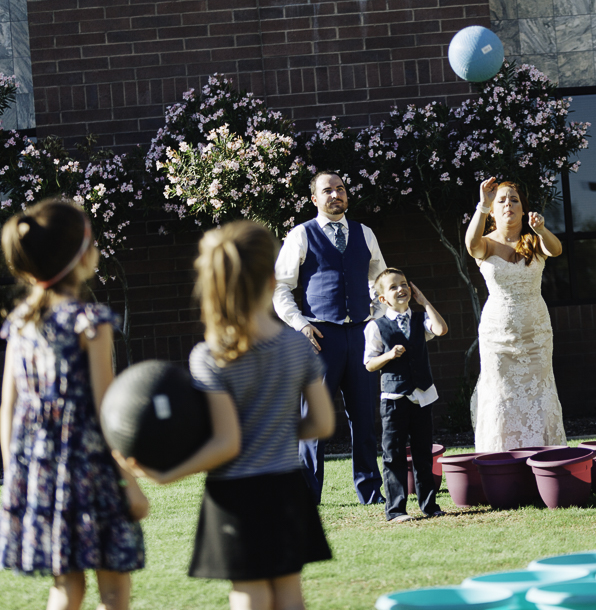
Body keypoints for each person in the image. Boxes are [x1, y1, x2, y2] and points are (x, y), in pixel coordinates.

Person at [122, 220, 336, 610]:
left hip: (236, 495)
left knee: (249, 594)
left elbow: (228, 442)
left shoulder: (211, 355)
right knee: (290, 593)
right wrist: (279, 430)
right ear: (272, 280)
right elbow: (322, 424)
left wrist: (168, 474)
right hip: (288, 487)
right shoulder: (297, 346)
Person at [0, 200, 148, 610]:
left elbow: (7, 410)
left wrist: (18, 477)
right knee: (114, 592)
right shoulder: (91, 322)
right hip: (93, 473)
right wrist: (130, 483)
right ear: (83, 255)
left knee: (65, 588)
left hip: (41, 473)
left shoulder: (19, 324)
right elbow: (107, 412)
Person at [274, 170, 386, 505]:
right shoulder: (301, 235)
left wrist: (376, 318)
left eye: (340, 189)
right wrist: (300, 324)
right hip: (320, 338)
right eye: (327, 191)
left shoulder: (364, 233)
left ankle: (370, 491)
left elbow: (381, 280)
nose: (335, 195)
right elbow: (280, 286)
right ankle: (308, 494)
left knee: (364, 418)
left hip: (361, 336)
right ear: (315, 199)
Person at [464, 178, 567, 452]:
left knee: (539, 392)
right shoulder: (485, 244)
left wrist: (542, 230)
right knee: (501, 395)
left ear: (523, 209)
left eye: (514, 200)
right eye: (502, 201)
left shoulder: (534, 240)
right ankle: (503, 458)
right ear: (493, 213)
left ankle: (544, 456)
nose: (508, 204)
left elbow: (556, 250)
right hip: (498, 335)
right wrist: (482, 205)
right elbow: (469, 244)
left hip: (536, 333)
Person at [364, 268, 448, 522]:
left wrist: (424, 301)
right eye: (393, 287)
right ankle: (396, 509)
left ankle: (429, 505)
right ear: (383, 299)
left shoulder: (420, 319)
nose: (401, 289)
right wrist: (389, 356)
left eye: (403, 284)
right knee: (394, 454)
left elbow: (441, 329)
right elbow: (369, 364)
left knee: (423, 452)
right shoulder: (376, 327)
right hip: (394, 399)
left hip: (422, 396)